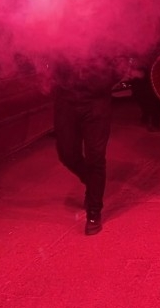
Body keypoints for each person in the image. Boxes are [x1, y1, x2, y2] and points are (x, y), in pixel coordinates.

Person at [50, 50, 126, 235]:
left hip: (95, 102)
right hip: (66, 100)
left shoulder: (103, 31)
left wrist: (103, 83)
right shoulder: (60, 28)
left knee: (96, 157)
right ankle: (91, 182)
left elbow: (121, 58)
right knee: (66, 153)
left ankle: (94, 211)